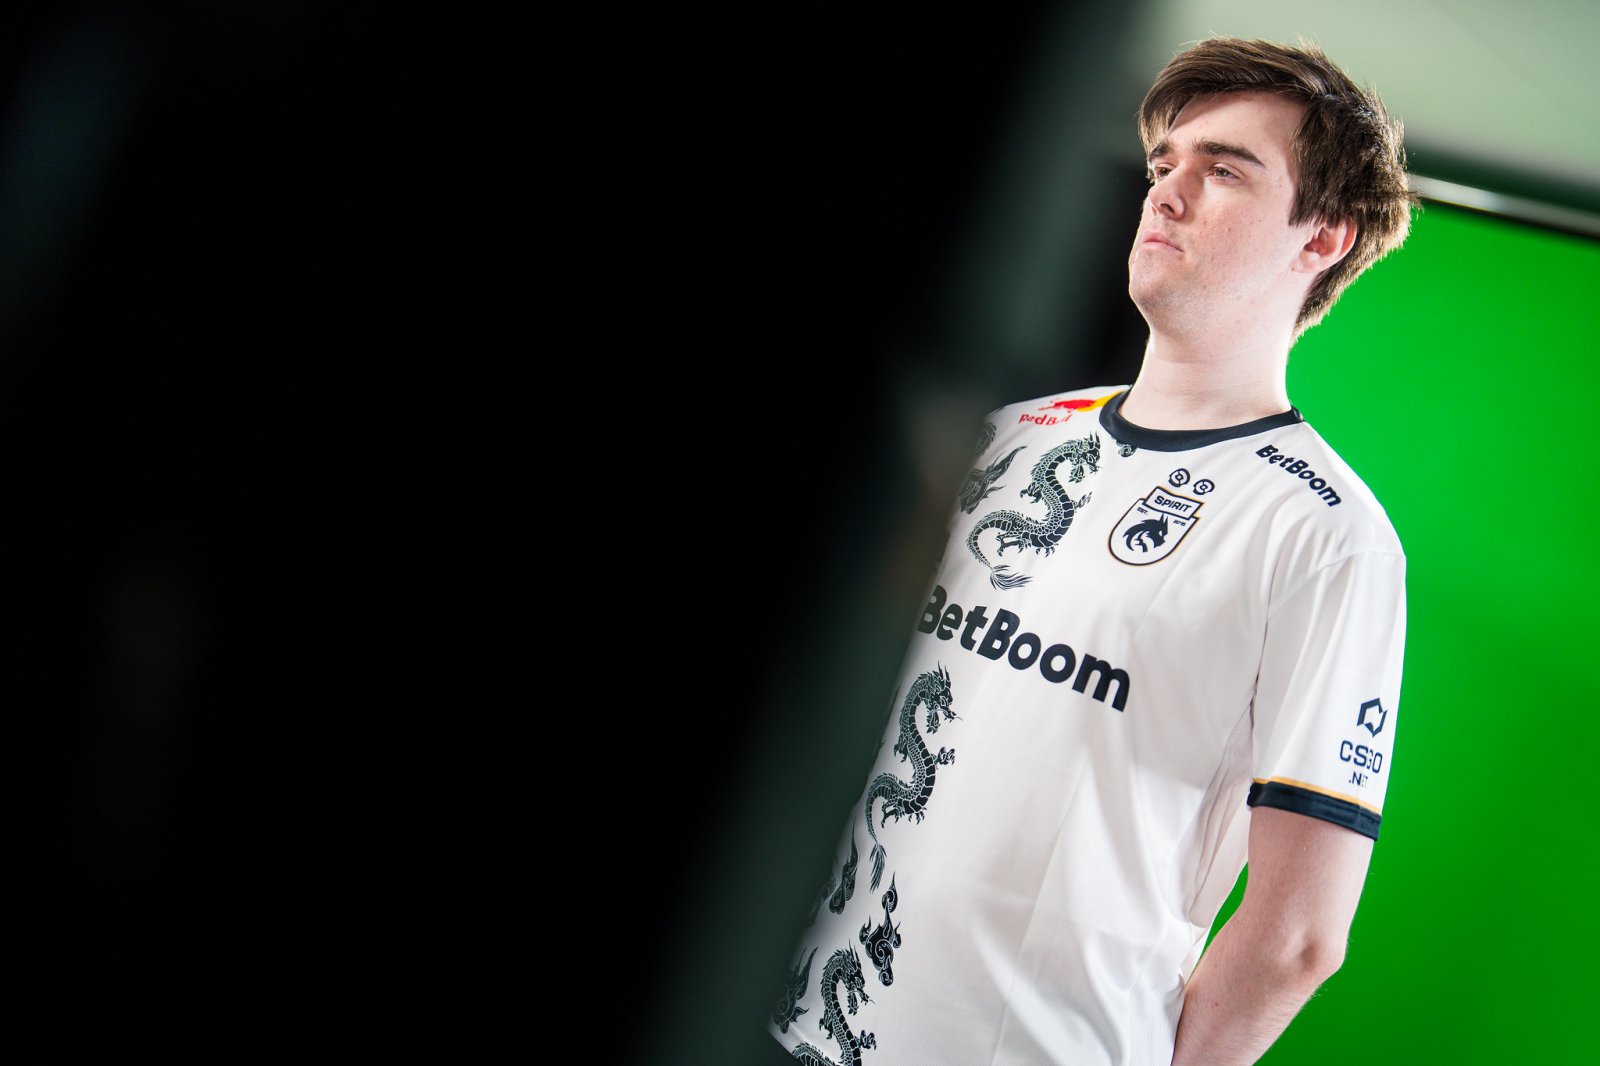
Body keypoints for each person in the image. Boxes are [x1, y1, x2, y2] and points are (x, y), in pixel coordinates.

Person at [766, 37, 1415, 1066]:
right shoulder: (1004, 439)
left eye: (1224, 170)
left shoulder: (1326, 534)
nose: (1168, 192)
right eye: (1165, 163)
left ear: (1323, 236)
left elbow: (1297, 937)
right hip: (787, 1023)